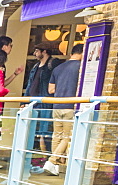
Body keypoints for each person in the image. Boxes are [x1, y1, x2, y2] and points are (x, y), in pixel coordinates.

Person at [44, 44, 84, 176]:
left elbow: (51, 90)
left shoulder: (58, 67)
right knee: (67, 137)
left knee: (57, 136)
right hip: (70, 106)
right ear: (82, 53)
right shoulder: (81, 68)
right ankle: (51, 161)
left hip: (56, 105)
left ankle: (55, 167)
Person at [23, 43, 59, 171]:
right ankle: (36, 158)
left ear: (44, 51)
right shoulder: (36, 66)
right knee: (34, 132)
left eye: (37, 51)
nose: (34, 53)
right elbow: (30, 84)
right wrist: (25, 99)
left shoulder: (52, 65)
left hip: (45, 102)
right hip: (34, 103)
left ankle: (47, 160)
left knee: (45, 132)